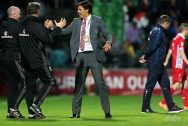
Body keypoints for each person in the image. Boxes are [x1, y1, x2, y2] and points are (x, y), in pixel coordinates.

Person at [60, 0, 112, 118]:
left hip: (94, 56)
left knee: (100, 84)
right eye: (77, 10)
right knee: (79, 85)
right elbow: (64, 32)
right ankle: (75, 113)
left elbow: (107, 34)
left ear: (87, 10)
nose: (78, 12)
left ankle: (107, 112)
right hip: (80, 57)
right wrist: (55, 27)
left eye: (80, 9)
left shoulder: (97, 20)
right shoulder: (76, 22)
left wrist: (108, 42)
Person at [18, 2, 66, 119]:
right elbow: (48, 39)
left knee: (29, 86)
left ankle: (31, 112)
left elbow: (35, 38)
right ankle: (36, 105)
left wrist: (46, 28)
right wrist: (58, 27)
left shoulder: (21, 25)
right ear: (38, 11)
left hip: (25, 60)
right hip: (37, 59)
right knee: (50, 81)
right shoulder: (35, 25)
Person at [139, 15, 184, 113]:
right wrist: (146, 57)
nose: (169, 27)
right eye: (169, 24)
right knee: (150, 85)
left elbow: (151, 46)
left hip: (158, 62)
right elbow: (153, 47)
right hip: (156, 62)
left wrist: (145, 56)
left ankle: (171, 107)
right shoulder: (159, 32)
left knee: (165, 84)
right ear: (165, 23)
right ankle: (145, 107)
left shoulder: (154, 30)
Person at [0, 6, 26, 118]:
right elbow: (24, 44)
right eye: (19, 14)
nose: (20, 16)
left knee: (13, 85)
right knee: (26, 83)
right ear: (14, 14)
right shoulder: (17, 27)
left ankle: (10, 112)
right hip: (14, 58)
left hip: (4, 58)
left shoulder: (1, 26)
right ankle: (13, 109)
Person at [159, 23, 188, 110]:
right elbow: (181, 51)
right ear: (185, 30)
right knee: (177, 85)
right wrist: (187, 61)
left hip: (177, 64)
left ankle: (186, 105)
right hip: (179, 64)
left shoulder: (175, 38)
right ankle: (163, 102)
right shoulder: (181, 39)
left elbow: (170, 50)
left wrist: (166, 61)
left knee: (186, 82)